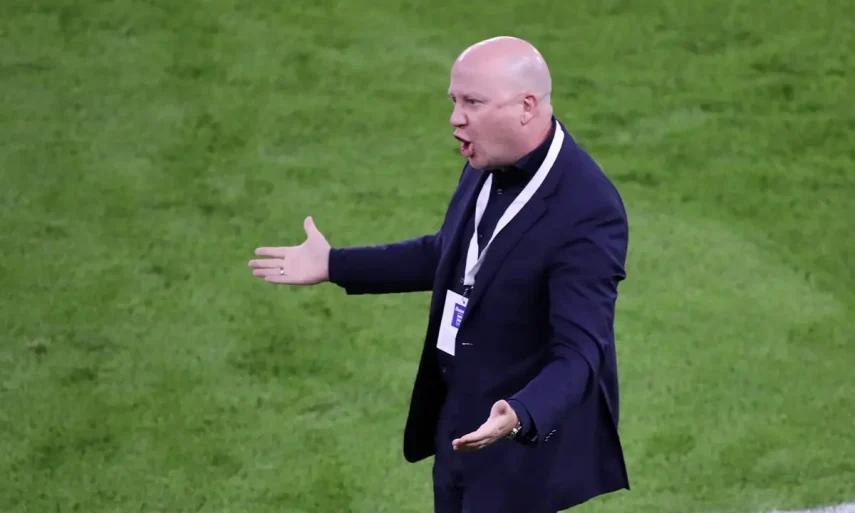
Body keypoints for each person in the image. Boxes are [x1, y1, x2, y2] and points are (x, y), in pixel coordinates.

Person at [248, 36, 630, 513]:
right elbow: (449, 254)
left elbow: (581, 352)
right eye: (454, 101)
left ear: (527, 106)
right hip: (458, 423)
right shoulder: (486, 158)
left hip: (517, 450)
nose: (455, 118)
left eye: (473, 102)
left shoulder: (588, 210)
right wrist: (334, 263)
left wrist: (521, 412)